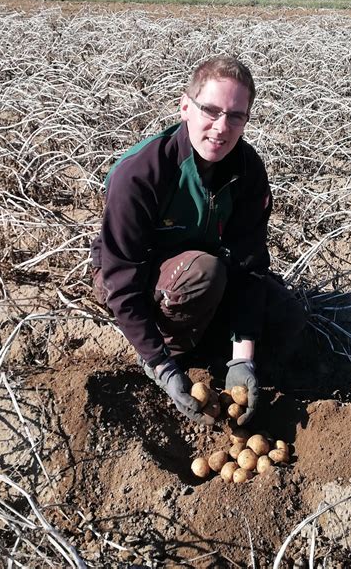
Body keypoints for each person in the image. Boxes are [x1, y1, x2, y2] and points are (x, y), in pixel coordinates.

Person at [90, 56, 306, 426]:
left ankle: (219, 349)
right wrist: (162, 366)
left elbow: (249, 265)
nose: (221, 128)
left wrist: (243, 358)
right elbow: (119, 278)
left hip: (204, 272)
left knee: (288, 316)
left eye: (236, 116)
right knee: (202, 274)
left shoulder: (246, 170)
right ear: (185, 106)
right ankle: (169, 351)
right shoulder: (141, 174)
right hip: (140, 280)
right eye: (211, 110)